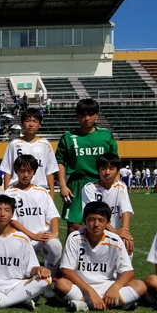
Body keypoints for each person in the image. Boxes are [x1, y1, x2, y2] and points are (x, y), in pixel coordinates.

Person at [55, 202, 146, 312]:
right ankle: (116, 303)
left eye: (101, 220)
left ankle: (85, 304)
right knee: (61, 284)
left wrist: (115, 287)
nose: (96, 224)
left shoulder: (115, 240)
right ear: (84, 221)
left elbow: (128, 272)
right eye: (91, 219)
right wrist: (90, 291)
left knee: (140, 286)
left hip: (106, 286)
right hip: (81, 287)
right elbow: (66, 270)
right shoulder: (74, 238)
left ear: (108, 223)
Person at [0, 195, 51, 311]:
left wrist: (39, 269)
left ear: (12, 214)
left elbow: (30, 268)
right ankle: (19, 300)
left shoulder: (22, 238)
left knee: (47, 278)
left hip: (17, 285)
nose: (2, 214)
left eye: (7, 210)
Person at [56, 98, 118, 235]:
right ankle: (72, 250)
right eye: (83, 115)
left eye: (91, 114)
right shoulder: (68, 137)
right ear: (77, 116)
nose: (87, 118)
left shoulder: (105, 135)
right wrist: (62, 185)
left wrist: (117, 185)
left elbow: (114, 161)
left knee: (103, 225)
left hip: (102, 185)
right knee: (74, 228)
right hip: (77, 185)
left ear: (97, 115)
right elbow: (59, 161)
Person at [5, 155, 62, 283]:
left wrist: (54, 232)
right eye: (22, 171)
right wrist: (32, 235)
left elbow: (52, 214)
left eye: (29, 171)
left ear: (34, 172)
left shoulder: (42, 192)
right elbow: (11, 220)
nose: (25, 175)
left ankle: (47, 282)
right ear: (16, 171)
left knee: (56, 246)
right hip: (20, 239)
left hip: (41, 238)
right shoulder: (8, 194)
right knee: (22, 275)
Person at [0, 108, 59, 199]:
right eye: (27, 121)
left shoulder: (45, 145)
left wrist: (52, 194)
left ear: (39, 124)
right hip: (17, 191)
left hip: (39, 192)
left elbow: (50, 171)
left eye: (35, 121)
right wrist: (6, 193)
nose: (31, 124)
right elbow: (7, 170)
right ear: (22, 123)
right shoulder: (13, 144)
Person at [81, 153, 134, 254]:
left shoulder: (121, 187)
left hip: (114, 234)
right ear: (98, 171)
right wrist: (117, 232)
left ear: (118, 171)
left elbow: (126, 210)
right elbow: (95, 216)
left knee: (128, 248)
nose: (107, 172)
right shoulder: (89, 188)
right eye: (103, 168)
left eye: (111, 168)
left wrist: (125, 233)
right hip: (93, 234)